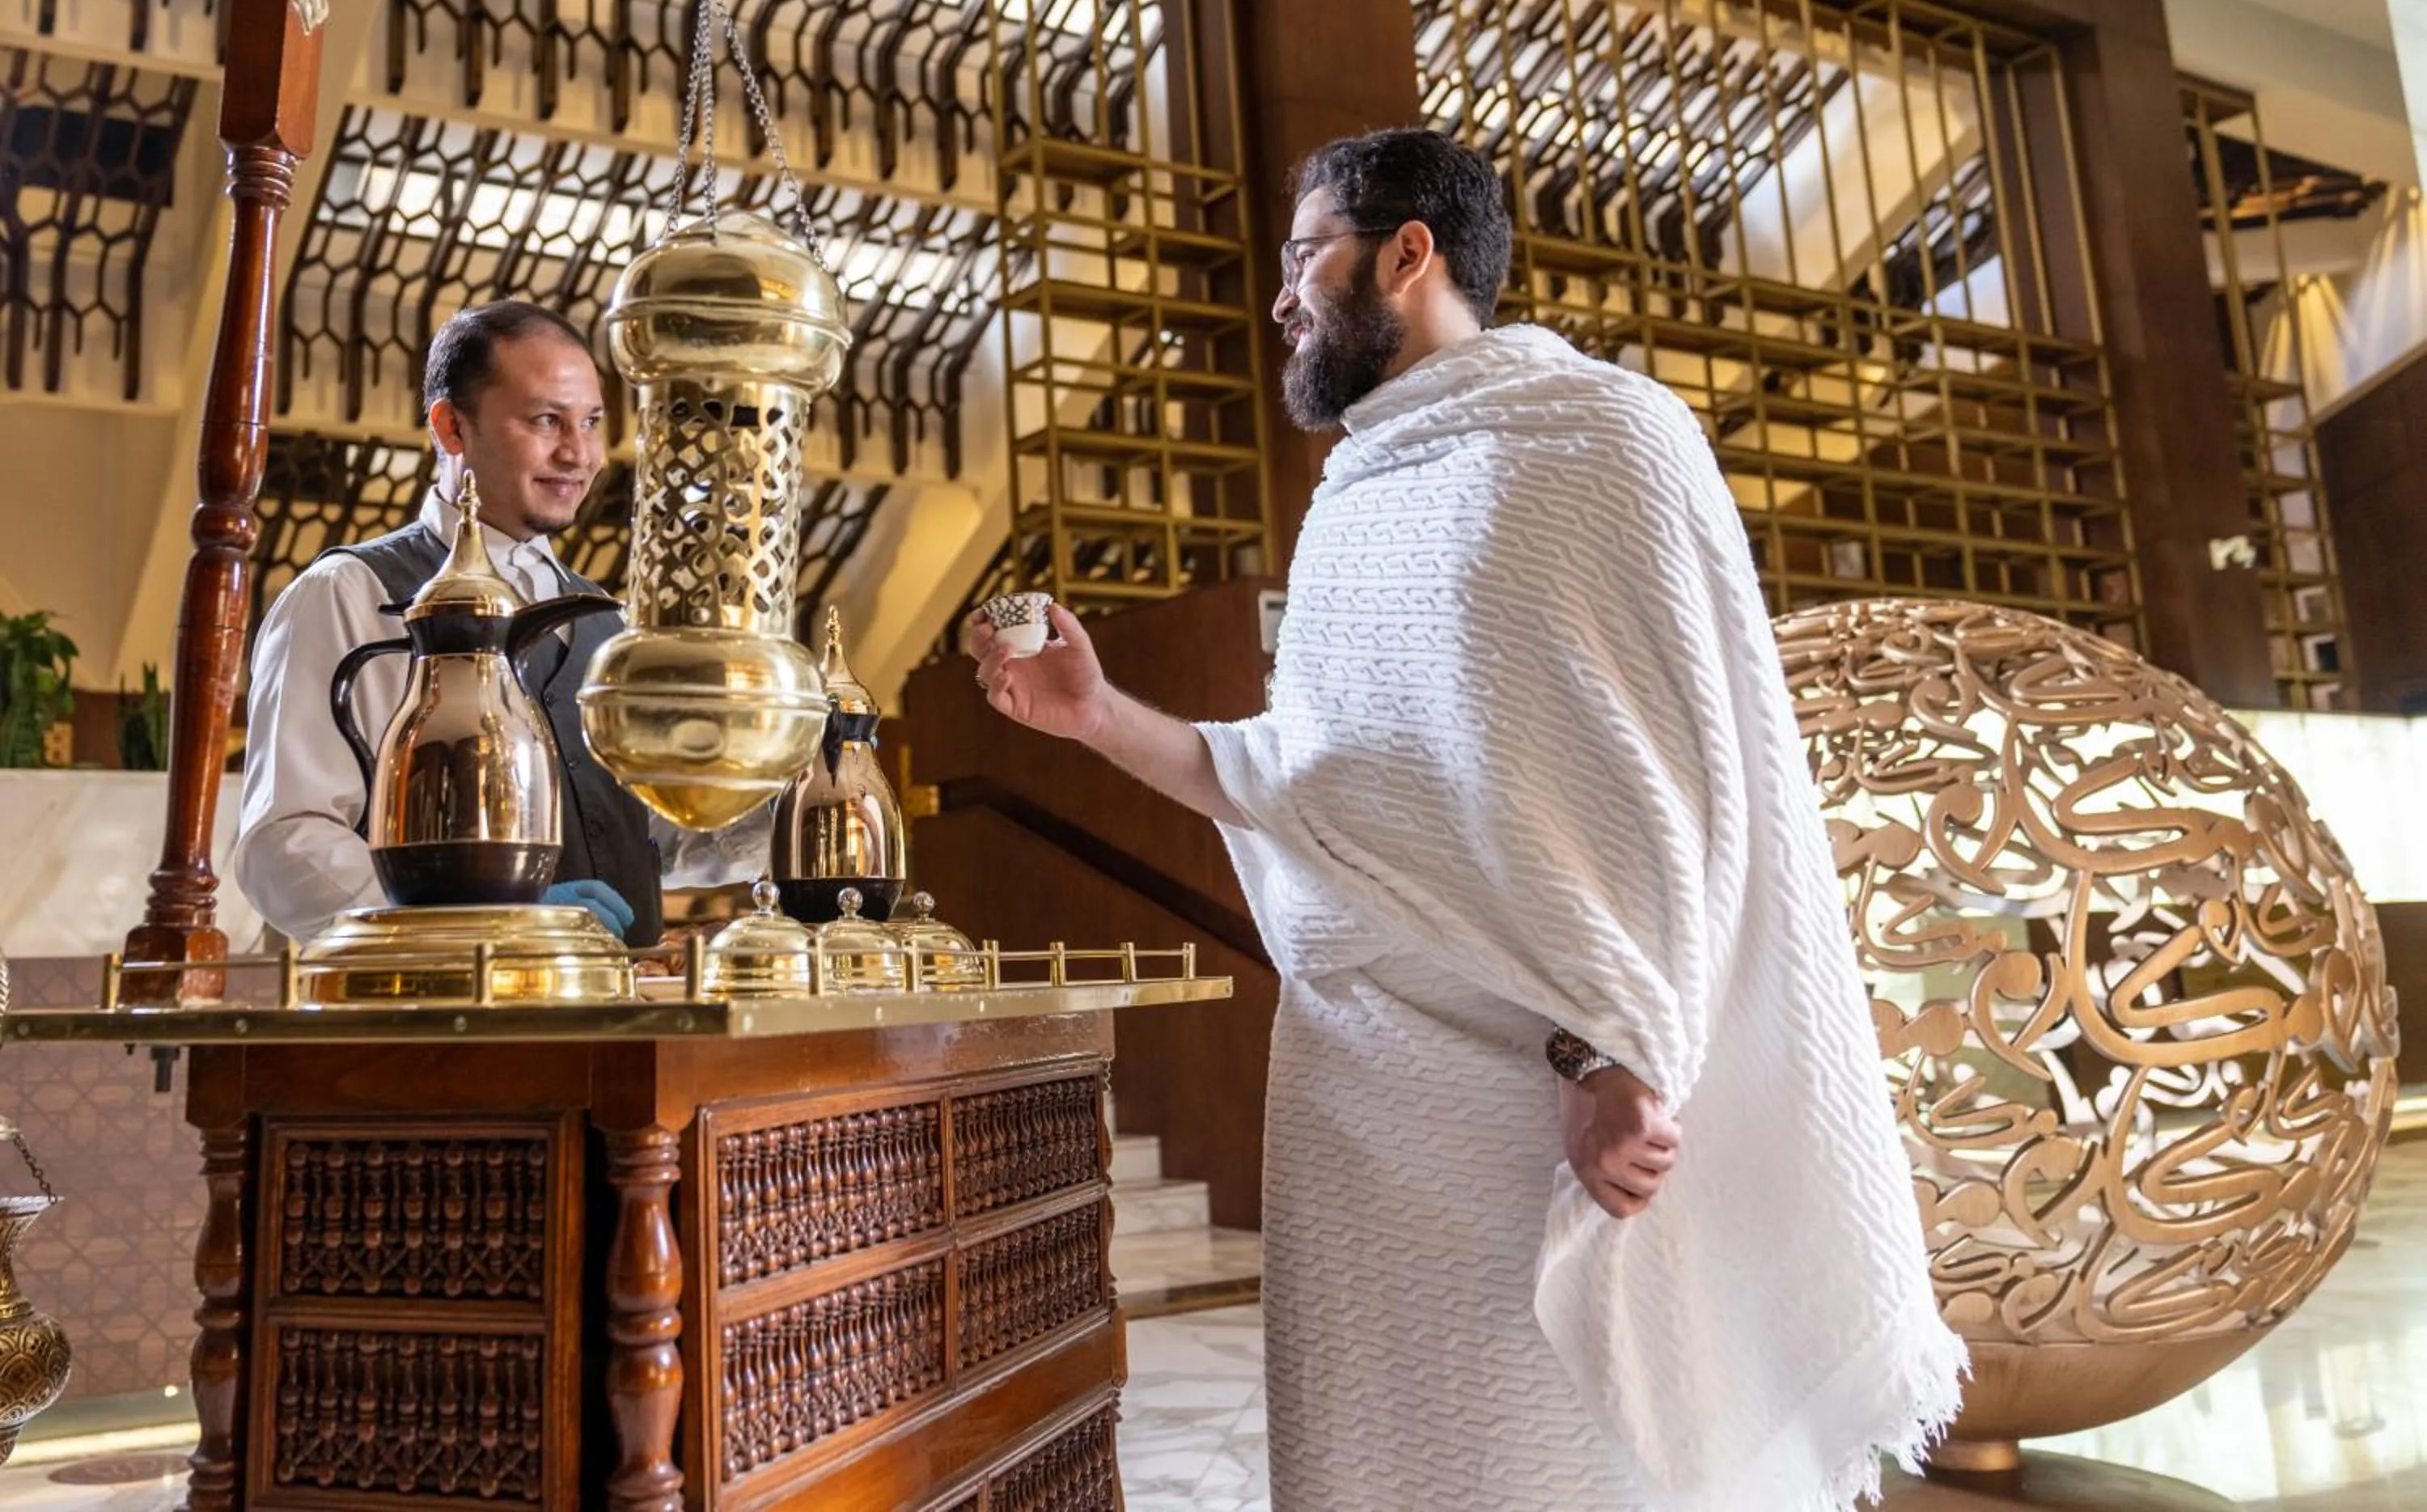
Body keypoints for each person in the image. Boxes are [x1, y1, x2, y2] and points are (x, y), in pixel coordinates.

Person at [967, 129, 1963, 1509]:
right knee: (1385, 1450)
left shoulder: (1608, 435)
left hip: (1546, 1088)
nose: (1280, 299)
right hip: (1358, 1095)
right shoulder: (1355, 497)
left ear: (1408, 253)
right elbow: (1300, 784)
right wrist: (1094, 715)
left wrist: (1621, 1043)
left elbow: (1673, 771)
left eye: (1305, 254)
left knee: (1564, 1458)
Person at [234, 299, 764, 945]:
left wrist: (786, 795)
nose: (579, 454)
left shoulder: (612, 623)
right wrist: (487, 925)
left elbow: (653, 837)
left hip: (617, 1019)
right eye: (547, 421)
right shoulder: (348, 596)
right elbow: (286, 846)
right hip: (431, 1020)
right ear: (451, 428)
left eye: (591, 422)